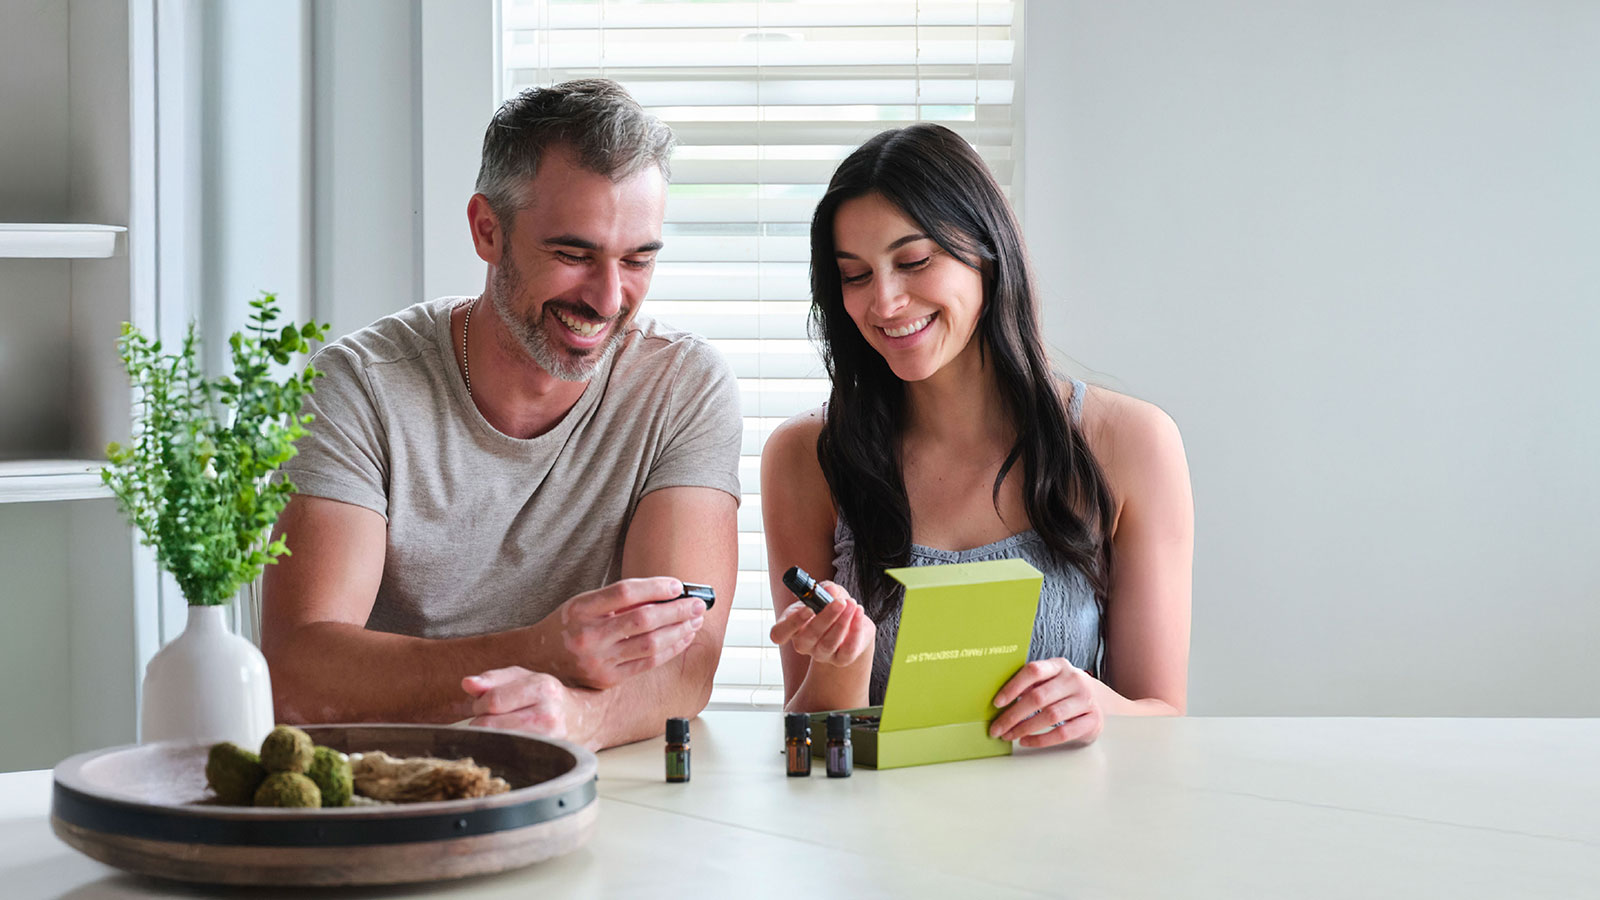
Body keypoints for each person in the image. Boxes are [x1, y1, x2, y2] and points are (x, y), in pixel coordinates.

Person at [260, 79, 741, 750]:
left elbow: (685, 662)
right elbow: (298, 675)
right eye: (573, 255)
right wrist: (543, 649)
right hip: (386, 783)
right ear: (488, 230)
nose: (608, 298)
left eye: (636, 259)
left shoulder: (680, 386)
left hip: (586, 782)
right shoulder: (362, 387)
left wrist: (580, 720)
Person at [761, 124, 1193, 749]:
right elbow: (811, 742)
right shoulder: (807, 457)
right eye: (854, 276)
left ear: (988, 252)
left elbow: (1165, 717)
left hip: (1068, 832)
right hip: (877, 838)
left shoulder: (1130, 442)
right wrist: (840, 668)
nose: (883, 302)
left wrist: (1095, 705)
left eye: (913, 262)